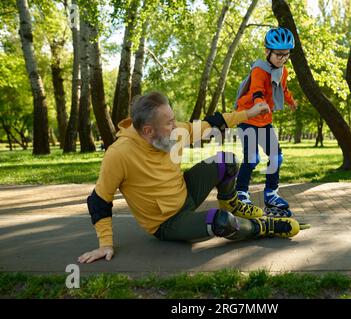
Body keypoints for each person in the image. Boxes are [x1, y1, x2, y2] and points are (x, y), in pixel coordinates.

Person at [78, 91, 302, 264]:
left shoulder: (174, 133)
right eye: (169, 123)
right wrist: (105, 244)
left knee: (227, 159)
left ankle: (231, 201)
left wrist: (249, 113)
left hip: (186, 193)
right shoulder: (119, 154)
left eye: (174, 120)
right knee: (221, 222)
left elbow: (212, 123)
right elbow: (99, 200)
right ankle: (262, 227)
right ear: (148, 131)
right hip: (167, 223)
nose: (176, 127)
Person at [235, 27, 301, 219]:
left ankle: (271, 194)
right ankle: (241, 193)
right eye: (278, 54)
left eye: (286, 55)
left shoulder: (283, 71)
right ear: (267, 52)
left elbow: (284, 89)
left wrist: (291, 101)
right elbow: (256, 91)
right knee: (252, 158)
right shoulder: (259, 69)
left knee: (276, 157)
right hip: (247, 116)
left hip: (264, 120)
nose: (282, 58)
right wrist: (259, 104)